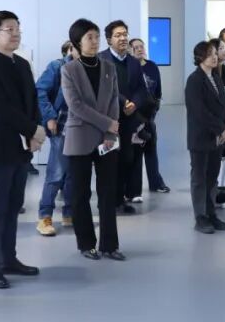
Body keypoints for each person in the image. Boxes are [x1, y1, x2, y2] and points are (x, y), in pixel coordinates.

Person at [0, 11, 45, 289]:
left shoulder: (22, 64)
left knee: (13, 205)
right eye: (9, 29)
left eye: (17, 29)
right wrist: (32, 130)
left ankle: (8, 259)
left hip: (21, 147)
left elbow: (32, 101)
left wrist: (34, 131)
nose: (15, 34)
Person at [62, 18, 126, 261]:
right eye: (89, 37)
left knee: (108, 193)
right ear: (77, 42)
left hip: (107, 140)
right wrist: (107, 123)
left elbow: (114, 101)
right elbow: (75, 106)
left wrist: (110, 132)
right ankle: (86, 243)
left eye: (97, 36)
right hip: (79, 138)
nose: (95, 41)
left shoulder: (109, 67)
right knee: (80, 195)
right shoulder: (69, 70)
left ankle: (110, 245)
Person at [99, 20, 150, 216]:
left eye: (125, 34)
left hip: (128, 120)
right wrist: (124, 101)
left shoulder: (134, 62)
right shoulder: (101, 59)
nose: (123, 38)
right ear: (109, 39)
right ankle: (106, 202)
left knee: (125, 159)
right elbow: (104, 89)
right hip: (107, 120)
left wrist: (134, 103)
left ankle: (119, 200)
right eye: (118, 35)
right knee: (107, 161)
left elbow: (142, 89)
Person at [185, 40, 225, 234]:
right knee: (199, 178)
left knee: (212, 177)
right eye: (210, 54)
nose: (214, 57)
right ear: (200, 57)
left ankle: (211, 213)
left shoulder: (216, 77)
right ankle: (201, 217)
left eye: (215, 53)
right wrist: (220, 128)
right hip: (201, 137)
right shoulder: (194, 80)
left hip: (218, 137)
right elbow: (199, 111)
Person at [35, 40, 77, 237]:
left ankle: (69, 213)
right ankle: (45, 216)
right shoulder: (57, 66)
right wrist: (49, 116)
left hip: (82, 129)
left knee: (74, 173)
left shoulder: (90, 67)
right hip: (61, 125)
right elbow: (40, 91)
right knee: (56, 172)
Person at [128, 38, 170, 198]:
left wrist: (154, 109)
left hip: (149, 114)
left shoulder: (152, 66)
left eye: (141, 46)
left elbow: (158, 91)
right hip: (134, 115)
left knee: (151, 148)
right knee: (136, 152)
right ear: (130, 50)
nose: (140, 49)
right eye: (136, 47)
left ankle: (156, 183)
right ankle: (134, 190)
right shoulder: (129, 67)